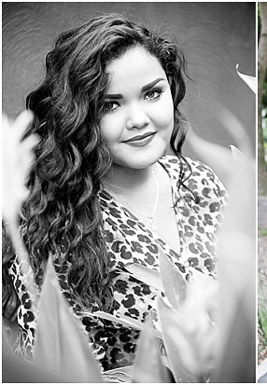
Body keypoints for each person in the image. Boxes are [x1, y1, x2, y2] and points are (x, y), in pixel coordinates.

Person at [2, 14, 227, 378]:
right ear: (77, 116)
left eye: (152, 93)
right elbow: (54, 366)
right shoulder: (56, 222)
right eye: (110, 104)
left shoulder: (202, 184)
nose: (138, 118)